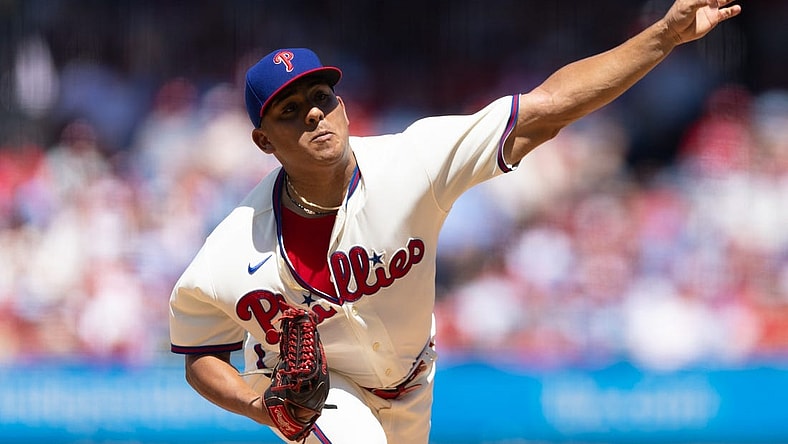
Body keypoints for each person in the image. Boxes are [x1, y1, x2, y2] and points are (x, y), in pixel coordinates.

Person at [168, 1, 742, 442]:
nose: (315, 112)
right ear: (263, 141)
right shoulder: (231, 249)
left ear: (344, 105)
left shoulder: (412, 161)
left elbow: (545, 108)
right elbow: (200, 352)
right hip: (321, 399)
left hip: (415, 379)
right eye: (290, 111)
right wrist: (258, 405)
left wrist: (664, 34)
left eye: (322, 96)